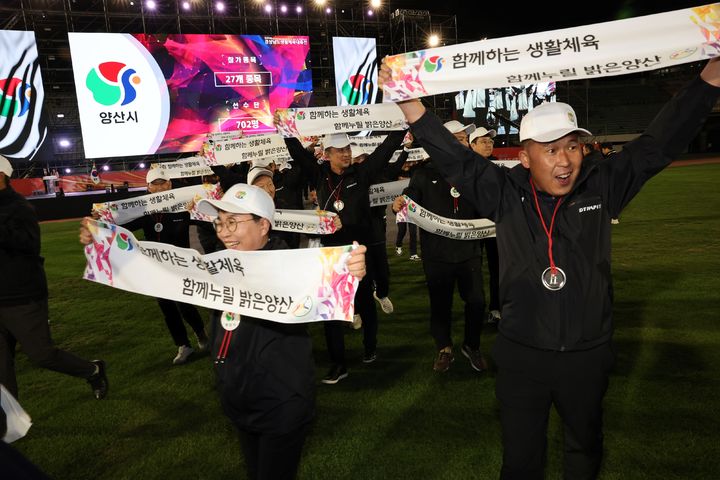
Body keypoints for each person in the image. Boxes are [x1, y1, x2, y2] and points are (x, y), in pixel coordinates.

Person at [381, 56, 720, 479]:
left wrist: (709, 80)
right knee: (521, 461)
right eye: (551, 149)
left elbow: (658, 144)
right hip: (523, 356)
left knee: (584, 451)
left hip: (587, 354)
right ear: (525, 157)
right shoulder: (503, 192)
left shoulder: (602, 183)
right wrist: (410, 106)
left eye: (573, 146)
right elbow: (456, 160)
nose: (565, 161)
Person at [194, 183, 367, 480]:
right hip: (238, 399)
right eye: (220, 222)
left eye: (233, 222)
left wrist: (351, 268)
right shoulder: (222, 267)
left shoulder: (292, 269)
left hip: (280, 404)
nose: (224, 232)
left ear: (263, 226)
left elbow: (324, 281)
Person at [283, 129, 405, 383]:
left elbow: (384, 151)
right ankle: (339, 364)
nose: (346, 154)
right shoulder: (319, 174)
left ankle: (370, 346)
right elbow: (296, 152)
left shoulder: (362, 173)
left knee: (363, 303)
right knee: (333, 311)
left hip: (359, 251)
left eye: (348, 150)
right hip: (329, 252)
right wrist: (286, 130)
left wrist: (401, 127)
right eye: (340, 151)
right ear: (327, 155)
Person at [0, 155, 108, 400]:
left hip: (22, 297)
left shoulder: (19, 207)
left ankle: (92, 370)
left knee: (41, 355)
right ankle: (9, 426)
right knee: (1, 369)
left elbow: (29, 245)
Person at [392, 120, 488, 373]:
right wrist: (401, 202)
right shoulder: (424, 172)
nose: (462, 143)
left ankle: (472, 345)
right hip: (437, 254)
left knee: (477, 302)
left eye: (464, 139)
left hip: (469, 252)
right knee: (440, 305)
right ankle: (444, 348)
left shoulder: (474, 171)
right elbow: (410, 195)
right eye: (456, 138)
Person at [118, 169, 209, 365]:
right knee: (167, 307)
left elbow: (207, 220)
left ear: (170, 185)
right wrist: (102, 217)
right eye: (155, 184)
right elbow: (121, 228)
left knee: (185, 304)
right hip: (156, 267)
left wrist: (201, 207)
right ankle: (184, 345)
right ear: (148, 188)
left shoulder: (183, 207)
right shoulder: (142, 210)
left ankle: (201, 334)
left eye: (163, 183)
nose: (159, 187)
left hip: (181, 266)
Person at [469, 126, 502, 325]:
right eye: (483, 141)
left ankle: (496, 307)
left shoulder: (499, 166)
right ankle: (476, 307)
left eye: (490, 141)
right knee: (473, 269)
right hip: (469, 227)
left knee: (497, 268)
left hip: (494, 227)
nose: (489, 145)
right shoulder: (464, 167)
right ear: (472, 145)